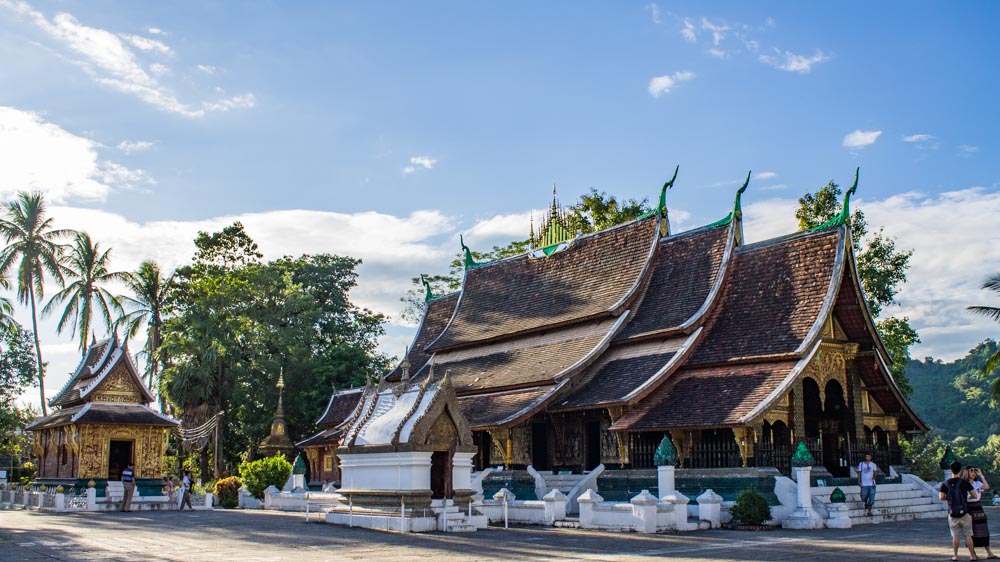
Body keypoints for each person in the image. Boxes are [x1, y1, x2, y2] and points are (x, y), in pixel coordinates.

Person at [940, 461, 977, 561]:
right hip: (965, 512)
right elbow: (975, 495)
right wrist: (966, 497)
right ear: (960, 471)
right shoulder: (964, 483)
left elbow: (941, 497)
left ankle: (955, 555)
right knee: (968, 535)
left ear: (950, 470)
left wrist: (950, 498)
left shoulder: (945, 484)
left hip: (952, 513)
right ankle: (972, 555)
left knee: (955, 535)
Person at [966, 466, 997, 559]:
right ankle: (973, 553)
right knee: (971, 531)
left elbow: (986, 487)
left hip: (978, 507)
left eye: (974, 471)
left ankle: (989, 552)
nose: (973, 473)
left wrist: (981, 475)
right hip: (970, 508)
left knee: (984, 530)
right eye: (971, 471)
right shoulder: (964, 484)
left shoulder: (977, 483)